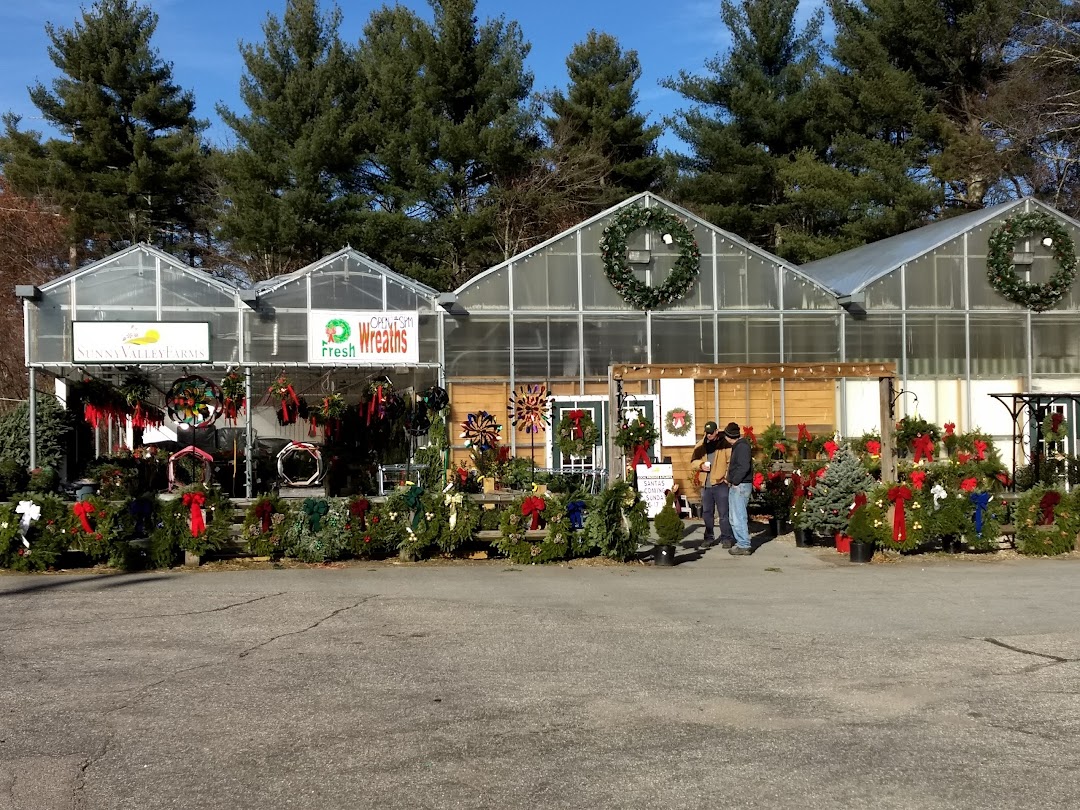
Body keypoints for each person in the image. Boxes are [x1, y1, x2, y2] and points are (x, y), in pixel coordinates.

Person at [690, 421, 734, 549]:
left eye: (711, 432)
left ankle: (726, 538)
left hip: (720, 484)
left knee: (723, 513)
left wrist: (726, 478)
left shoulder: (724, 444)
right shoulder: (701, 445)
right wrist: (700, 465)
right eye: (707, 433)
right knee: (707, 513)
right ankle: (709, 537)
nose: (709, 435)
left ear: (716, 431)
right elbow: (693, 461)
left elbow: (730, 462)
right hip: (706, 485)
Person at [724, 421, 754, 556]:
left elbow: (743, 467)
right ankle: (741, 542)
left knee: (738, 516)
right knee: (734, 516)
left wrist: (735, 480)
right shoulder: (740, 445)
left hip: (740, 485)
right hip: (739, 484)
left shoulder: (741, 447)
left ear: (729, 436)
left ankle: (744, 544)